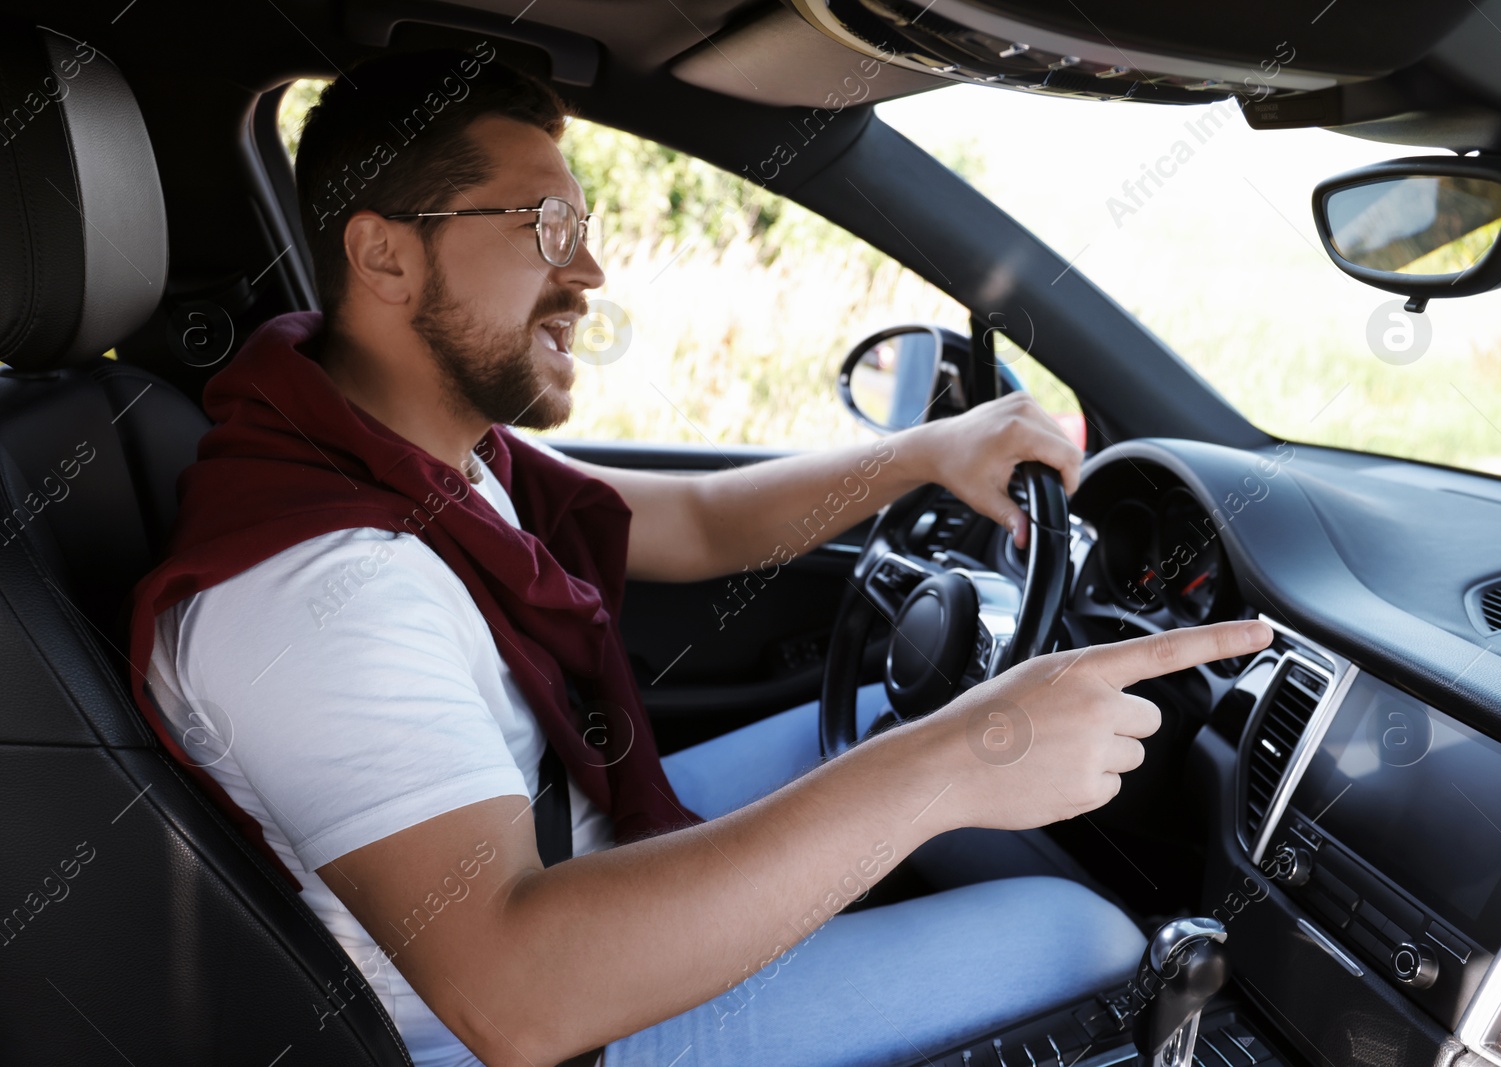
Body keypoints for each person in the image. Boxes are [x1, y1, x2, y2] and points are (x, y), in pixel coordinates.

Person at [127, 48, 1272, 1067]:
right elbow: (518, 1001)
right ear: (383, 257)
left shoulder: (408, 450)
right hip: (559, 1012)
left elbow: (695, 526)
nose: (588, 275)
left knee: (884, 712)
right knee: (1089, 940)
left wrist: (925, 452)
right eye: (545, 231)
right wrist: (956, 761)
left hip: (565, 847)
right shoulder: (329, 591)